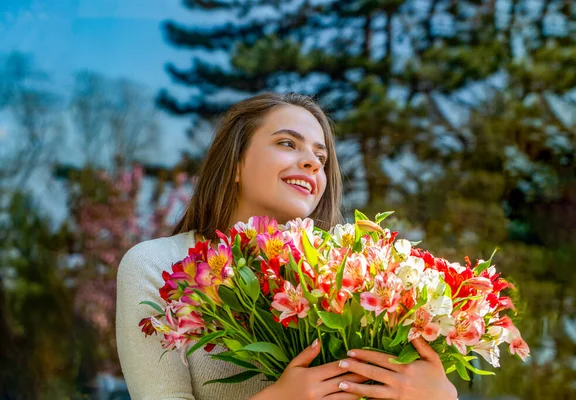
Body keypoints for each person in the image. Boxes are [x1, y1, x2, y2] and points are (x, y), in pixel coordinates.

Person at [116, 92, 458, 400]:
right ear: (235, 163)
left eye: (320, 158)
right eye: (287, 144)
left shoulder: (351, 278)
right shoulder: (157, 266)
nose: (312, 162)